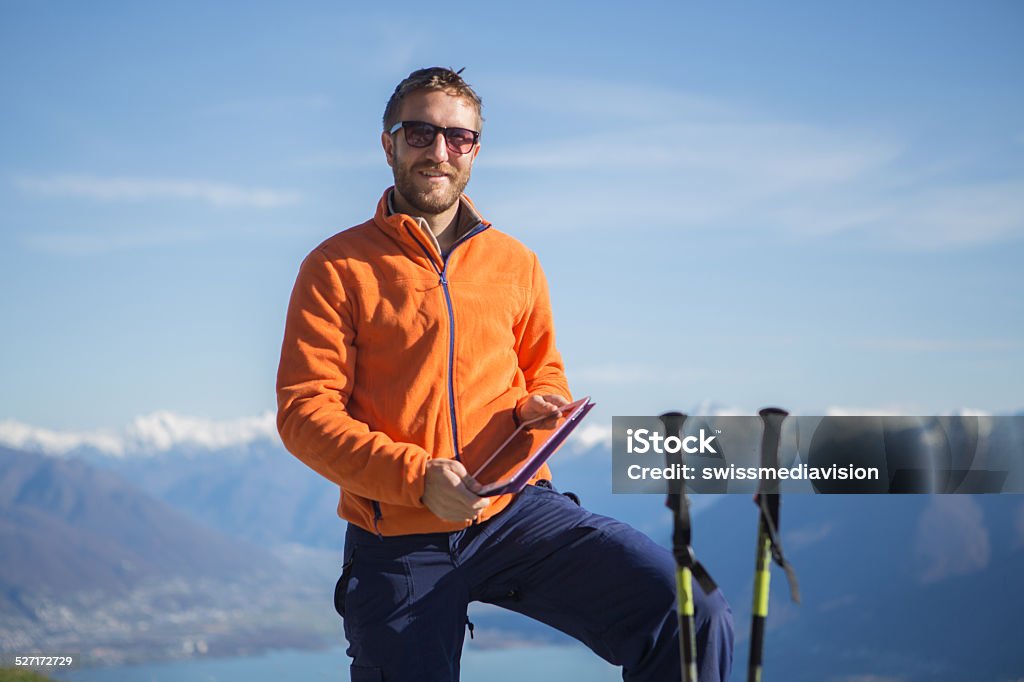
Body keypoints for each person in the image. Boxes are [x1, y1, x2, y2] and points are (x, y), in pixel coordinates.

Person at [276, 66, 734, 682]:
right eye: (419, 134)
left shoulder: (515, 263)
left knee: (688, 612)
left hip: (516, 512)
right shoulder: (336, 267)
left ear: (475, 151)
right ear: (388, 144)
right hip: (397, 532)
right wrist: (416, 477)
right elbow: (305, 413)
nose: (439, 152)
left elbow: (543, 371)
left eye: (458, 138)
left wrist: (541, 407)